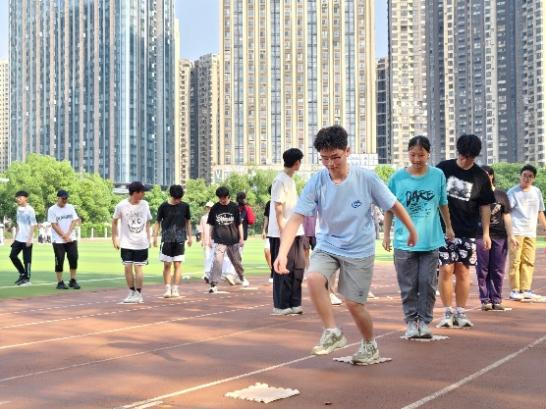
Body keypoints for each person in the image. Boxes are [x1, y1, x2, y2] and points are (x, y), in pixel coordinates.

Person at [274, 125, 417, 364]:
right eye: (324, 158)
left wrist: (412, 230)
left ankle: (370, 345)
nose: (330, 164)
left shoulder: (366, 178)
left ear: (347, 151)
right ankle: (332, 332)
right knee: (314, 278)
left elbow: (394, 205)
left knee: (353, 304)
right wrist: (282, 253)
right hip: (328, 244)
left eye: (335, 157)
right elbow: (296, 218)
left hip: (359, 248)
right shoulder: (317, 181)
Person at [383, 136, 454, 338]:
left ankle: (424, 322)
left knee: (427, 284)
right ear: (408, 154)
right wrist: (386, 235)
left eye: (421, 155)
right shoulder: (397, 178)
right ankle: (411, 323)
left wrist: (449, 227)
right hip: (403, 242)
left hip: (430, 241)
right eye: (413, 154)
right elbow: (389, 208)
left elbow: (443, 203)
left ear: (428, 154)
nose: (416, 159)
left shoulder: (438, 175)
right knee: (408, 287)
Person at [436, 134, 495, 328]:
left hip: (468, 231)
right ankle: (447, 312)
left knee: (463, 271)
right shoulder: (443, 168)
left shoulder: (480, 176)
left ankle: (460, 312)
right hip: (443, 229)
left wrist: (486, 233)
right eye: (461, 155)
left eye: (468, 157)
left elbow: (485, 206)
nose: (463, 160)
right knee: (446, 269)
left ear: (475, 156)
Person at [269, 148, 306, 315]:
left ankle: (294, 302)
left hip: (296, 231)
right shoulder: (280, 180)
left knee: (298, 267)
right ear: (297, 163)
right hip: (282, 233)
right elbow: (278, 210)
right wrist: (285, 234)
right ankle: (281, 305)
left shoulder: (290, 180)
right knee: (283, 268)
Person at [475, 166, 517, 310]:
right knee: (482, 269)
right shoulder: (475, 195)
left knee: (498, 269)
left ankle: (497, 299)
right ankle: (485, 300)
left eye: (487, 174)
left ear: (492, 176)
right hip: (480, 236)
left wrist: (511, 235)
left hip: (499, 236)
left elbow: (507, 216)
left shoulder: (501, 195)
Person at [507, 164, 546, 300]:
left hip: (531, 232)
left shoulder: (536, 192)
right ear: (520, 176)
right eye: (524, 175)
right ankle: (515, 290)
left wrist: (545, 228)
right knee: (515, 261)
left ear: (534, 178)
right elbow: (506, 213)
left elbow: (540, 211)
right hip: (516, 232)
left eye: (530, 176)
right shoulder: (513, 192)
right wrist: (510, 233)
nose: (527, 178)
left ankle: (526, 289)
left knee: (529, 261)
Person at [112, 181, 152, 304]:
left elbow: (147, 222)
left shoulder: (145, 204)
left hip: (141, 242)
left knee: (138, 268)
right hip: (126, 243)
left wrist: (149, 238)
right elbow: (114, 221)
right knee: (127, 267)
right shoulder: (121, 205)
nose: (144, 194)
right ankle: (131, 292)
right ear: (135, 193)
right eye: (142, 192)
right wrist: (114, 238)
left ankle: (139, 294)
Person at [153, 185, 192, 298]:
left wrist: (190, 237)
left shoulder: (185, 206)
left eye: (179, 198)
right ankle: (167, 289)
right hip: (166, 239)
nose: (178, 200)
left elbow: (188, 222)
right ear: (171, 195)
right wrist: (154, 237)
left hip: (180, 238)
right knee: (167, 265)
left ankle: (175, 289)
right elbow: (157, 222)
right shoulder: (163, 206)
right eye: (176, 198)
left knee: (177, 264)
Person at [207, 186, 248, 293]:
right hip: (219, 239)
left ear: (228, 196)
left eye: (224, 198)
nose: (222, 200)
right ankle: (213, 284)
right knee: (217, 261)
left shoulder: (234, 207)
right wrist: (208, 239)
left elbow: (239, 224)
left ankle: (242, 277)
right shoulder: (215, 208)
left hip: (233, 239)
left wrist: (241, 238)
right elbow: (211, 224)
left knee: (236, 261)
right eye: (220, 198)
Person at [48, 189, 81, 290]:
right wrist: (64, 236)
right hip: (58, 240)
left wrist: (68, 234)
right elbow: (54, 225)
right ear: (58, 198)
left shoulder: (70, 207)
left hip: (71, 239)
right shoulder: (52, 209)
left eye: (66, 198)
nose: (65, 200)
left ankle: (73, 280)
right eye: (63, 198)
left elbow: (74, 221)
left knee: (74, 258)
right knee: (59, 260)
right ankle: (60, 282)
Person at [10, 191, 37, 286]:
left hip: (27, 239)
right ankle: (22, 274)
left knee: (27, 260)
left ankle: (27, 279)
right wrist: (14, 238)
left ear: (25, 198)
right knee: (12, 256)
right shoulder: (18, 209)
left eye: (20, 197)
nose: (18, 199)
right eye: (17, 198)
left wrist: (29, 239)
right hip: (19, 238)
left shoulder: (30, 210)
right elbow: (18, 224)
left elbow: (33, 225)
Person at [262, 186, 273, 283]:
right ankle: (272, 270)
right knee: (266, 251)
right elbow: (266, 217)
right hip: (271, 232)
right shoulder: (269, 204)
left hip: (282, 233)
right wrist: (263, 230)